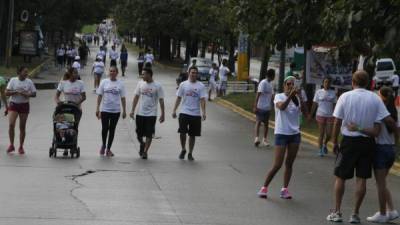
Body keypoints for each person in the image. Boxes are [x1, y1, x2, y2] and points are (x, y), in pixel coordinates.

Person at [326, 70, 397, 223]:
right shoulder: (375, 98)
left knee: (341, 177)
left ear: (353, 82)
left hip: (349, 142)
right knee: (361, 179)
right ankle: (355, 214)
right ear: (368, 83)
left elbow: (337, 121)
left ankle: (337, 212)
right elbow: (388, 121)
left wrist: (334, 141)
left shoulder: (345, 97)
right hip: (367, 143)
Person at [344, 86, 399, 223]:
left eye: (378, 95)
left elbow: (376, 132)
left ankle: (382, 213)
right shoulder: (395, 111)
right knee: (383, 183)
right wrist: (396, 145)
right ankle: (391, 211)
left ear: (382, 97)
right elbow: (395, 127)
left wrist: (358, 128)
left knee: (380, 184)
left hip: (380, 149)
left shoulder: (380, 112)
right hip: (391, 149)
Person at [257, 76, 307, 199]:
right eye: (289, 83)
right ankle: (264, 187)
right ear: (284, 85)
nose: (291, 86)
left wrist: (300, 97)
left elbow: (307, 114)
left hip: (294, 134)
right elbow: (282, 107)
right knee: (277, 164)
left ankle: (284, 189)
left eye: (293, 84)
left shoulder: (298, 98)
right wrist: (291, 95)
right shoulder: (279, 96)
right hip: (281, 133)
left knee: (289, 163)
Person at [172, 66, 207, 161]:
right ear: (188, 73)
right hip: (184, 112)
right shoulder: (183, 84)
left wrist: (203, 112)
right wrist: (174, 110)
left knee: (192, 135)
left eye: (196, 73)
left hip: (195, 114)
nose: (194, 74)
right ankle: (183, 149)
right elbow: (178, 98)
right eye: (192, 72)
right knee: (182, 132)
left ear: (197, 74)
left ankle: (190, 153)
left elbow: (202, 100)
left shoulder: (201, 86)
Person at [130, 67, 165, 159]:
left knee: (149, 133)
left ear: (149, 74)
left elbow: (161, 100)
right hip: (140, 113)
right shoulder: (140, 83)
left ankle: (145, 152)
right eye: (142, 74)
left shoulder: (157, 85)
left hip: (151, 114)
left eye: (144, 74)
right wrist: (132, 110)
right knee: (139, 134)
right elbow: (136, 97)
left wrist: (163, 113)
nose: (142, 76)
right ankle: (142, 144)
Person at [96, 66, 127, 157]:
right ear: (109, 72)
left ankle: (108, 149)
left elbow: (123, 98)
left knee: (112, 129)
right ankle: (103, 145)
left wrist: (124, 110)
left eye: (114, 71)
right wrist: (97, 108)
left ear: (117, 73)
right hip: (105, 109)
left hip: (115, 111)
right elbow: (100, 96)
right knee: (104, 129)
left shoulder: (120, 84)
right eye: (110, 71)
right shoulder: (104, 82)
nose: (112, 72)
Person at [5, 66, 37, 154]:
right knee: (11, 124)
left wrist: (27, 94)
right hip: (13, 104)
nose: (26, 74)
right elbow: (6, 92)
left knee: (22, 127)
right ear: (19, 72)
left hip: (24, 105)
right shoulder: (13, 80)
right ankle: (11, 145)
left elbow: (34, 94)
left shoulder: (29, 82)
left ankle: (21, 146)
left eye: (27, 72)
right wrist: (15, 92)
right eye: (25, 72)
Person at [309, 77, 336, 156]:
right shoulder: (318, 92)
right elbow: (314, 104)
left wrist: (336, 115)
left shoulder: (333, 93)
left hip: (330, 115)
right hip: (320, 114)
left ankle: (325, 144)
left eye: (328, 82)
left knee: (329, 134)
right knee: (321, 133)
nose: (326, 84)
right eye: (325, 82)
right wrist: (311, 114)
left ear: (330, 84)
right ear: (323, 83)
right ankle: (320, 150)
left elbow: (335, 105)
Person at [253, 69, 275, 147]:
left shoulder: (271, 84)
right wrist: (255, 106)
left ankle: (264, 140)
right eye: (274, 75)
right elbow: (258, 94)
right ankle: (256, 138)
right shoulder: (263, 83)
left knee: (266, 123)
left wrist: (273, 105)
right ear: (272, 76)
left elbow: (272, 96)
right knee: (258, 122)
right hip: (260, 106)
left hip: (267, 107)